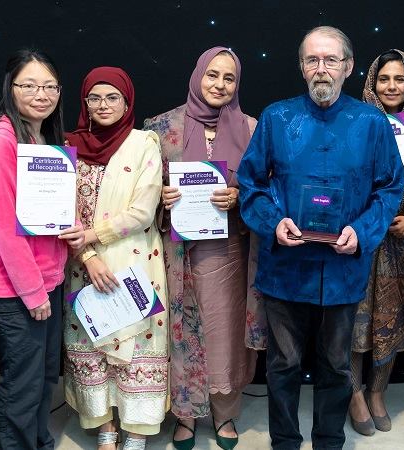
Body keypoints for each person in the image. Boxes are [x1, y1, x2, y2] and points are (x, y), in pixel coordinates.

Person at [237, 26, 404, 450]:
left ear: (348, 67)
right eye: (312, 60)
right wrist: (273, 223)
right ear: (301, 66)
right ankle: (285, 443)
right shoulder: (276, 118)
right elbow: (251, 185)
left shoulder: (371, 122)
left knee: (335, 366)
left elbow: (389, 189)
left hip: (344, 267)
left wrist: (362, 231)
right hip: (286, 269)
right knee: (284, 364)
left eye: (331, 60)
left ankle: (329, 441)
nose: (321, 69)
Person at [144, 46, 263, 450]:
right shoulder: (161, 128)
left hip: (231, 253)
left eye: (229, 78)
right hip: (178, 256)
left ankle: (225, 413)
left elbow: (267, 187)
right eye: (213, 75)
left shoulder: (252, 127)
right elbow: (141, 192)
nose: (220, 85)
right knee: (181, 334)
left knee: (225, 335)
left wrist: (239, 195)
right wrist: (162, 198)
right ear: (197, 76)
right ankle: (186, 416)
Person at [59, 67, 169, 450]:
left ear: (127, 103)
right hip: (83, 264)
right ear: (85, 103)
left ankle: (136, 433)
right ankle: (105, 429)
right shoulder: (66, 147)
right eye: (95, 98)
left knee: (138, 346)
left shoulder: (144, 144)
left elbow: (143, 211)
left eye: (112, 98)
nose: (103, 105)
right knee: (92, 339)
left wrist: (91, 236)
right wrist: (87, 254)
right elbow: (60, 210)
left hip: (135, 262)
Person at [0, 49, 67, 449]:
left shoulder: (43, 136)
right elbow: (4, 226)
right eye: (28, 85)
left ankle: (39, 442)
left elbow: (43, 213)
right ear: (10, 89)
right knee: (23, 382)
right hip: (17, 288)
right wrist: (32, 291)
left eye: (49, 86)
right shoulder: (1, 140)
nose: (40, 94)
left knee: (45, 376)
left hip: (48, 279)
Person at [347, 48, 404, 436]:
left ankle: (378, 392)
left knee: (388, 321)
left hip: (399, 246)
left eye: (400, 79)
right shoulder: (352, 123)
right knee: (353, 322)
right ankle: (355, 394)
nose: (391, 86)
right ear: (372, 83)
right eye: (384, 79)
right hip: (357, 241)